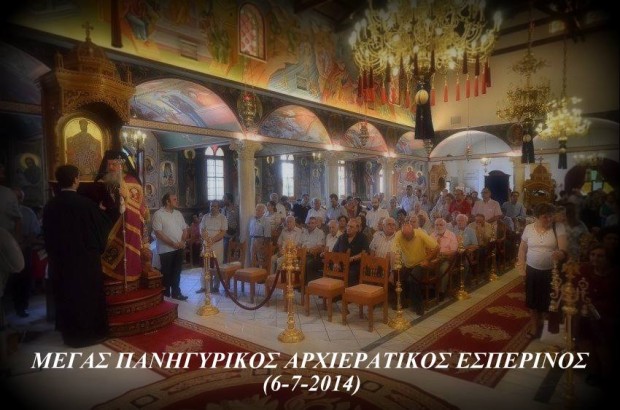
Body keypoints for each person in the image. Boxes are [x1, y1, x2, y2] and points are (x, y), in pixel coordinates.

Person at [43, 165, 112, 347]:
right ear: (75, 180)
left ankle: (70, 335)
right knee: (86, 297)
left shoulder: (50, 206)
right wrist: (101, 212)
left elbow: (47, 236)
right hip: (85, 263)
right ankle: (89, 335)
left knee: (66, 295)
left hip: (60, 263)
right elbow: (102, 227)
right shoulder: (86, 205)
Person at [85, 151, 148, 284]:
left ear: (122, 165)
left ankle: (128, 275)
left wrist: (124, 199)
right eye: (108, 165)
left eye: (114, 164)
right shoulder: (103, 180)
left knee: (125, 251)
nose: (111, 167)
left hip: (125, 224)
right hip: (105, 225)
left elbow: (137, 209)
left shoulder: (132, 182)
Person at [516, 202, 568, 339]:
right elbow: (522, 249)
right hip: (532, 270)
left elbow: (563, 249)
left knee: (549, 301)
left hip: (552, 272)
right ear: (537, 217)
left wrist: (560, 253)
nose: (549, 219)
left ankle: (546, 328)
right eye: (545, 217)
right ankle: (534, 326)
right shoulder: (529, 228)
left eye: (551, 216)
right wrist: (521, 268)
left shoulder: (558, 227)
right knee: (532, 300)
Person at [392, 222, 438, 315]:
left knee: (412, 280)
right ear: (402, 233)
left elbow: (437, 247)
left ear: (413, 231)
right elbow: (394, 249)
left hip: (420, 264)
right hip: (407, 264)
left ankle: (419, 306)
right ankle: (402, 303)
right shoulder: (399, 234)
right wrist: (395, 262)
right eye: (405, 236)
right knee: (397, 276)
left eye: (409, 235)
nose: (407, 238)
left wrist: (427, 260)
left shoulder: (420, 233)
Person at [152, 193, 189, 300]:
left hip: (179, 248)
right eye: (174, 199)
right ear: (167, 202)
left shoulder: (178, 213)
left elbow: (185, 229)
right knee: (166, 273)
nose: (177, 201)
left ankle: (176, 293)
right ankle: (166, 295)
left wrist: (182, 241)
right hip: (166, 250)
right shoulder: (158, 214)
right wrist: (173, 243)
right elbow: (158, 233)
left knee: (177, 272)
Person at [197, 201, 227, 293]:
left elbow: (223, 232)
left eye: (214, 206)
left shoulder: (223, 218)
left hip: (217, 245)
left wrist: (212, 240)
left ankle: (215, 287)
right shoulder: (205, 217)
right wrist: (206, 239)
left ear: (218, 208)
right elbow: (202, 229)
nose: (212, 208)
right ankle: (204, 286)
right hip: (206, 244)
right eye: (211, 206)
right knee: (204, 266)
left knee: (217, 266)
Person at [332, 217, 369, 286]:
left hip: (355, 265)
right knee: (333, 270)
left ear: (357, 229)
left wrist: (352, 258)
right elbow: (334, 251)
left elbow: (365, 253)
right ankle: (335, 291)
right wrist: (336, 262)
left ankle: (348, 292)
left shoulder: (363, 238)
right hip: (340, 263)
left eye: (351, 227)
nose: (348, 228)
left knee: (350, 274)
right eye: (348, 226)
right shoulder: (342, 237)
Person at [222, 193, 239, 262]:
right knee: (224, 253)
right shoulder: (223, 209)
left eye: (224, 198)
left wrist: (236, 235)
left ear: (229, 200)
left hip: (233, 235)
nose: (223, 200)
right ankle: (225, 266)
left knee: (232, 255)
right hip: (224, 235)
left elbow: (239, 222)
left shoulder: (236, 209)